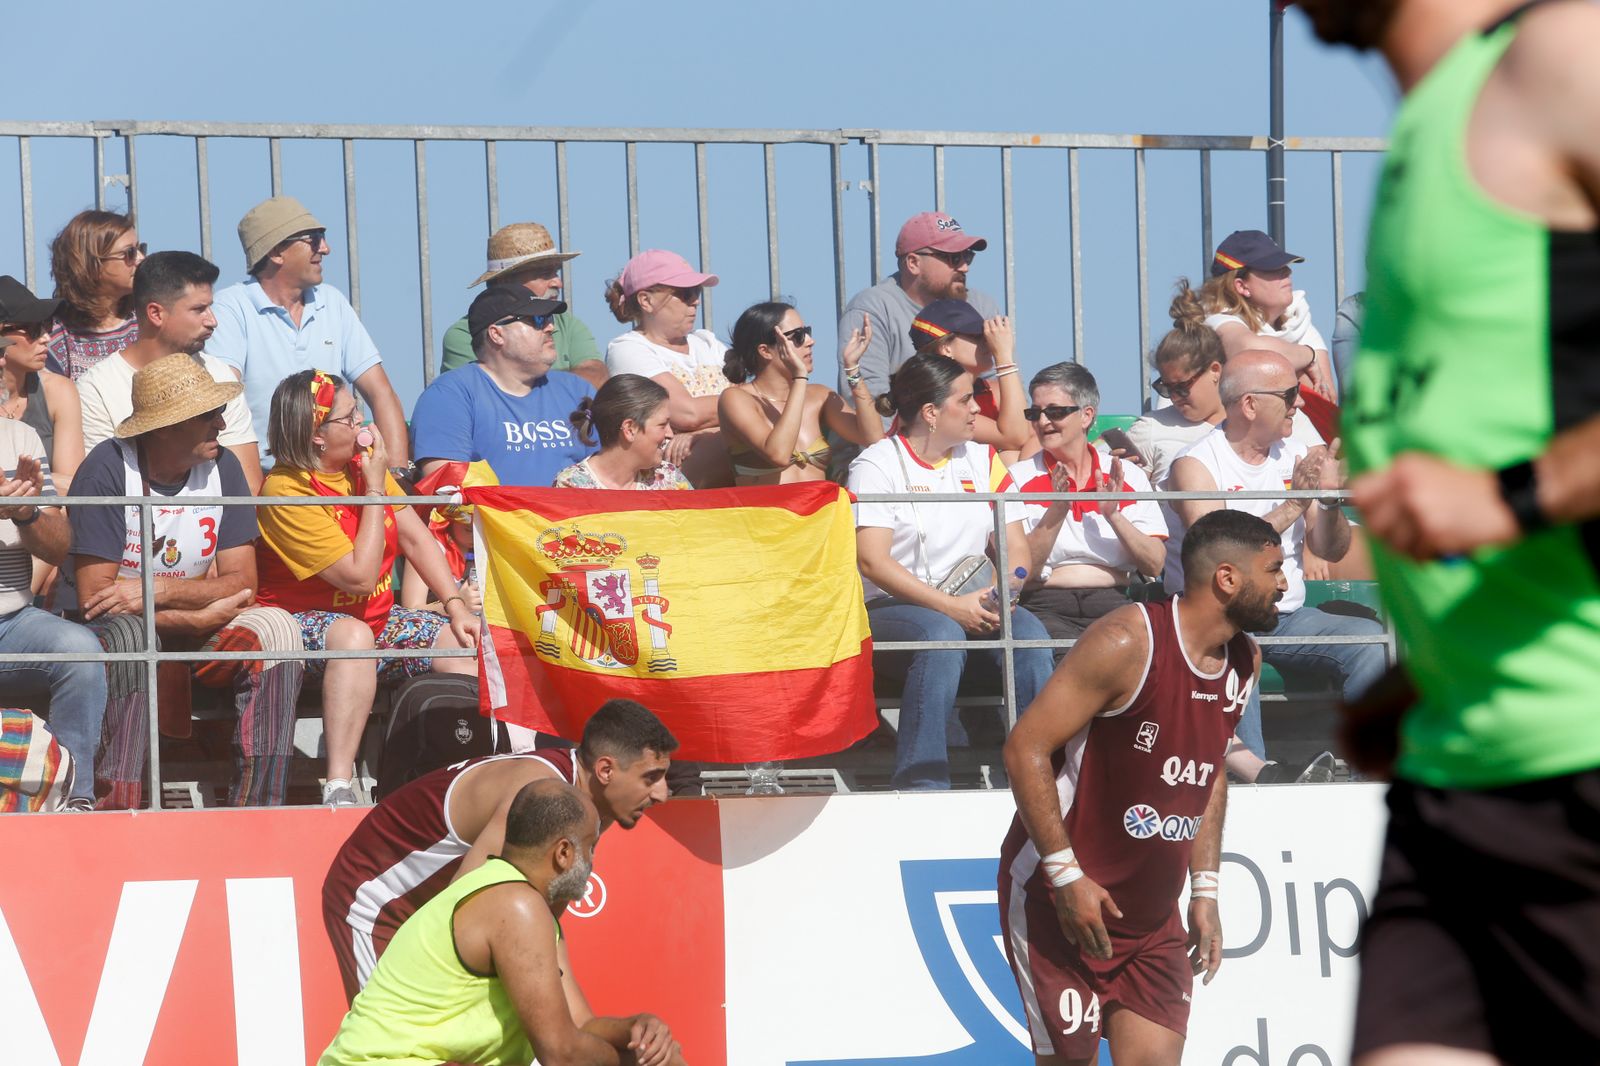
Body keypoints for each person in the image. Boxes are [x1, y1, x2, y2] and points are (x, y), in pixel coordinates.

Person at [1297, 2, 1600, 1063]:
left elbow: (1500, 475)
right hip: (1454, 787)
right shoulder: (1435, 119)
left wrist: (1513, 493)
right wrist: (1428, 671)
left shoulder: (1568, 55)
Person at [998, 508, 1278, 1066]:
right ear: (1227, 578)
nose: (1285, 585)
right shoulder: (1128, 639)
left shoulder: (1245, 659)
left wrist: (1204, 890)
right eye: (1274, 570)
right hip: (1064, 903)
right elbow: (1023, 748)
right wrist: (1066, 877)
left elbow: (1211, 769)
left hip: (1152, 922)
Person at [68, 352, 303, 811]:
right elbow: (96, 600)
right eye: (206, 415)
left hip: (190, 620)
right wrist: (190, 616)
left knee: (277, 629)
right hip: (116, 633)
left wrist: (161, 591)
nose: (220, 422)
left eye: (218, 411)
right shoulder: (108, 470)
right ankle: (120, 807)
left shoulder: (225, 468)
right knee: (132, 634)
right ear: (164, 427)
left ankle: (260, 810)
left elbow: (243, 584)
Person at [322, 699, 677, 1001]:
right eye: (651, 778)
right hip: (375, 900)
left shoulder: (593, 803)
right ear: (605, 770)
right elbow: (462, 908)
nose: (663, 794)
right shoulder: (538, 790)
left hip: (429, 903)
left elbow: (546, 919)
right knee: (396, 1046)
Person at [320, 780, 686, 1066]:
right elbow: (562, 1053)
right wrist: (637, 1061)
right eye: (590, 848)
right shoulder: (517, 906)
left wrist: (636, 1030)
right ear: (563, 853)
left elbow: (580, 1026)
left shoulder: (516, 898)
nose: (592, 862)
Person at [254, 370, 481, 807]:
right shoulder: (285, 491)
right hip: (300, 626)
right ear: (315, 436)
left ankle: (459, 765)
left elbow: (417, 538)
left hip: (376, 618)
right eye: (349, 417)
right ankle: (339, 786)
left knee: (467, 642)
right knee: (354, 639)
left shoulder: (361, 466)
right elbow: (358, 577)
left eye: (358, 410)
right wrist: (375, 489)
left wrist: (455, 606)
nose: (364, 425)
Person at [1167, 351, 1385, 768]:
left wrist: (1330, 501)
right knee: (1238, 653)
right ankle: (1258, 783)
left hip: (1287, 615)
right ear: (1249, 404)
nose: (1300, 403)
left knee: (1369, 641)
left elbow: (1330, 549)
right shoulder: (1194, 465)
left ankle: (1368, 770)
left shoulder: (1295, 454)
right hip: (1222, 620)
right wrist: (1294, 504)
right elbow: (1216, 552)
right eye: (1289, 394)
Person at [847, 352, 1054, 790]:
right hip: (890, 609)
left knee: (1032, 637)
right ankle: (922, 783)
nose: (979, 407)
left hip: (973, 602)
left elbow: (1015, 547)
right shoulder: (875, 464)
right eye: (966, 399)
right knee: (941, 634)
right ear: (931, 412)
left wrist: (1007, 588)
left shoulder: (984, 460)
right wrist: (952, 607)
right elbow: (872, 561)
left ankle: (1043, 773)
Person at [208, 196, 410, 472]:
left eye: (322, 238)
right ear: (277, 251)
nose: (325, 249)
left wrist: (398, 475)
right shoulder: (231, 306)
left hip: (337, 478)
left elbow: (381, 393)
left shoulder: (332, 302)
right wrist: (253, 495)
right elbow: (226, 402)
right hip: (268, 478)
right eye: (313, 239)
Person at [1009, 363, 1166, 658]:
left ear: (1086, 415)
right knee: (1068, 661)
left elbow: (1154, 565)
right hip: (1044, 603)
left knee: (1145, 664)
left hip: (1114, 601)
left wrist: (1114, 515)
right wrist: (1058, 510)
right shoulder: (1016, 479)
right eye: (1035, 413)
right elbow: (1019, 572)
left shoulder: (1127, 475)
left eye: (1054, 412)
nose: (1043, 422)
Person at [76, 251, 264, 493]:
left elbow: (247, 487)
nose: (212, 320)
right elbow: (103, 487)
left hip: (217, 528)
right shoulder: (98, 388)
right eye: (199, 309)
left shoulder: (220, 376)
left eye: (210, 307)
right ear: (155, 313)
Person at [0, 392, 106, 811]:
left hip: (12, 621)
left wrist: (26, 514)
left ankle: (73, 801)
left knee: (80, 650)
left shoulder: (19, 438)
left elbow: (59, 547)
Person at [412, 285, 594, 488]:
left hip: (578, 519)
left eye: (549, 319)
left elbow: (614, 474)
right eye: (537, 320)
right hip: (494, 520)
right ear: (496, 334)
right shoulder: (448, 396)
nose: (550, 327)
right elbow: (449, 493)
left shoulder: (578, 391)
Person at [837, 211, 1004, 402]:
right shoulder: (873, 308)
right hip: (901, 430)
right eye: (954, 257)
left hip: (971, 428)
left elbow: (1005, 388)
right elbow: (869, 401)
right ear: (913, 263)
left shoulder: (981, 306)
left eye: (967, 256)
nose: (964, 267)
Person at [603, 249, 730, 487]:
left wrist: (704, 434)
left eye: (696, 291)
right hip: (667, 475)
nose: (695, 300)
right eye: (684, 293)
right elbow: (688, 413)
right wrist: (738, 413)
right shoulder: (627, 349)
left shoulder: (707, 342)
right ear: (646, 300)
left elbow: (757, 404)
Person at [717, 301, 880, 484]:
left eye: (807, 332)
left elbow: (873, 438)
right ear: (765, 351)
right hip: (768, 511)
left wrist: (852, 370)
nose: (810, 341)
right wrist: (799, 378)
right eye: (798, 336)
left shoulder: (819, 395)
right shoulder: (736, 398)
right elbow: (778, 454)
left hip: (821, 510)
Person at [1170, 229, 1334, 403]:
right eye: (1273, 268)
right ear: (1241, 286)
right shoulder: (1216, 318)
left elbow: (1326, 396)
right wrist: (1309, 356)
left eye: (1285, 265)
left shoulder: (1298, 319)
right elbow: (1249, 351)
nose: (1287, 272)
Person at [439, 221, 607, 388]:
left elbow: (597, 376)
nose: (558, 282)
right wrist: (564, 389)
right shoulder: (464, 334)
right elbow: (477, 391)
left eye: (556, 272)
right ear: (506, 281)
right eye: (545, 274)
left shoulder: (566, 323)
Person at [908, 298, 1030, 461]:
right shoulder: (932, 397)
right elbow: (1016, 437)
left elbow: (1031, 437)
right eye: (977, 336)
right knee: (1010, 457)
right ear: (946, 347)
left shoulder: (993, 391)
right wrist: (1004, 358)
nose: (988, 342)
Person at [0, 277, 83, 498]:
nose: (46, 338)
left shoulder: (58, 391)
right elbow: (62, 483)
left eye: (47, 326)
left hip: (47, 522)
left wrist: (18, 483)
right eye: (34, 329)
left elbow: (75, 487)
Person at [45, 209, 144, 381]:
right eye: (130, 253)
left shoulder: (148, 321)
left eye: (141, 248)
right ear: (92, 264)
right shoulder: (55, 337)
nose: (141, 259)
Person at [555, 374, 691, 489]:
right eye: (662, 425)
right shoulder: (572, 486)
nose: (670, 434)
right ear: (630, 429)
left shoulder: (669, 478)